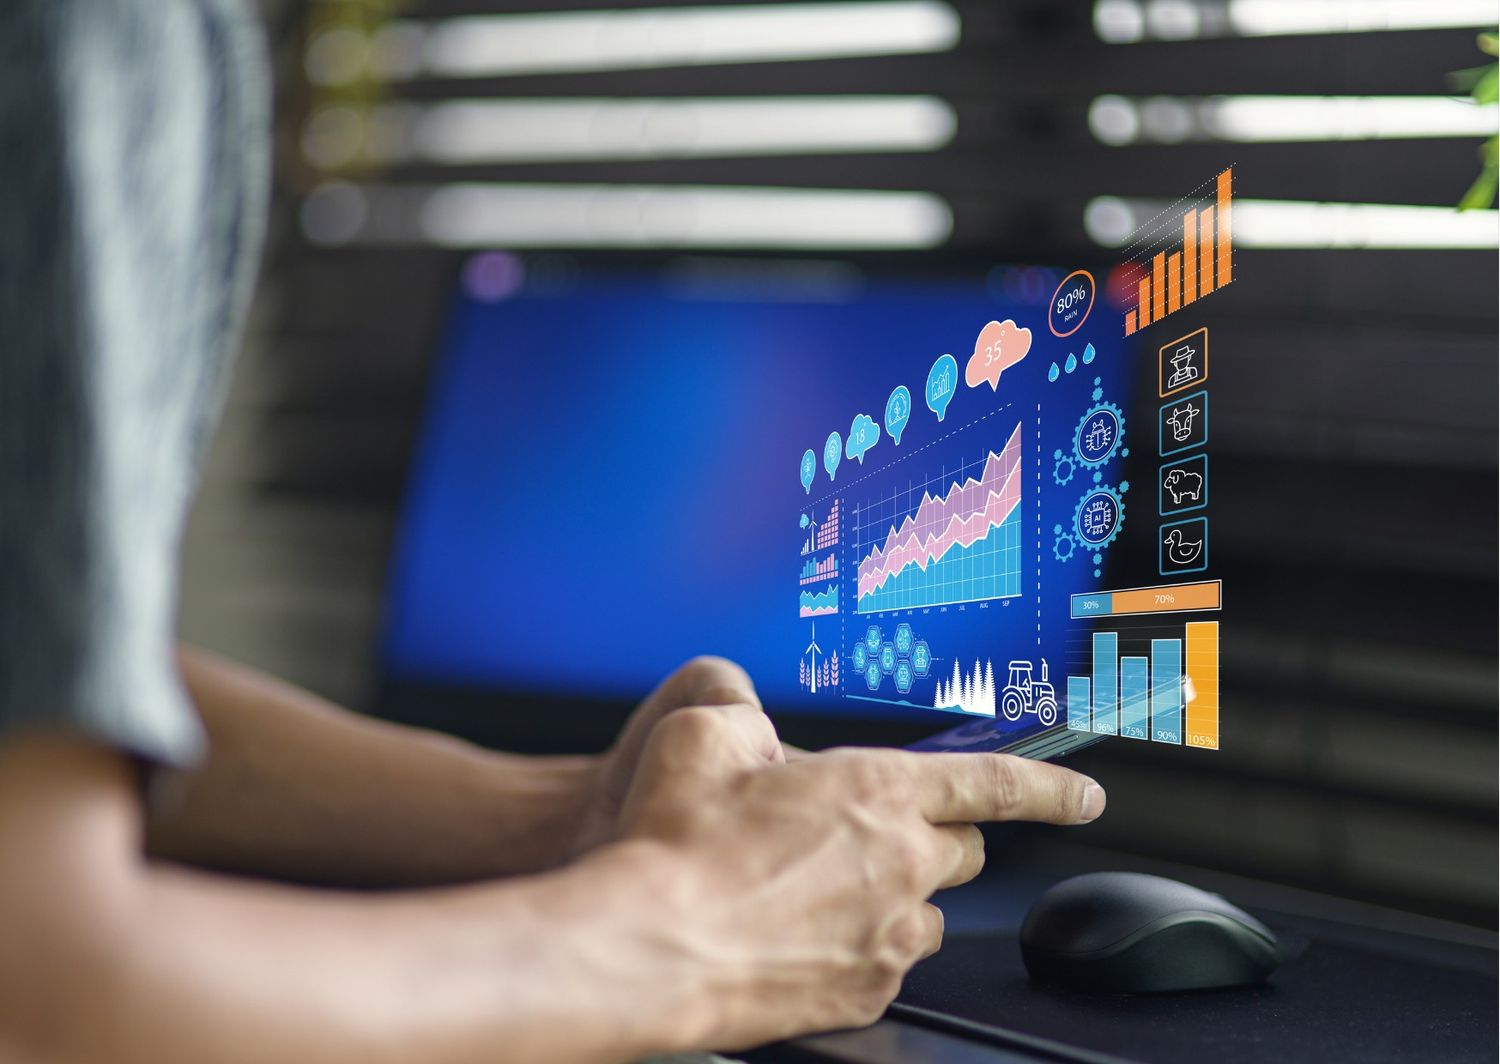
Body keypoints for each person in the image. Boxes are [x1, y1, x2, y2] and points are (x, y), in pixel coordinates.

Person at [0, 2, 1107, 1061]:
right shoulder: (89, 32)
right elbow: (42, 1005)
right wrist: (691, 934)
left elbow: (34, 672)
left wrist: (563, 814)